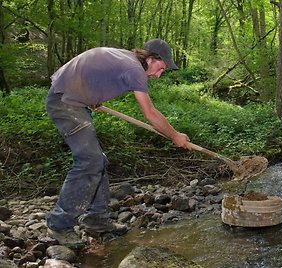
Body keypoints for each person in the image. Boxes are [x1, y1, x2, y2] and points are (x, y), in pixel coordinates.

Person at [45, 39, 191, 249]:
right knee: (90, 161)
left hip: (72, 99)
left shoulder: (126, 58)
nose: (159, 74)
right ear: (150, 59)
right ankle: (59, 223)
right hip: (65, 103)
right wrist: (175, 135)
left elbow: (94, 67)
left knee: (98, 161)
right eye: (161, 68)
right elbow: (150, 114)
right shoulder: (135, 69)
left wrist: (89, 95)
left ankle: (96, 219)